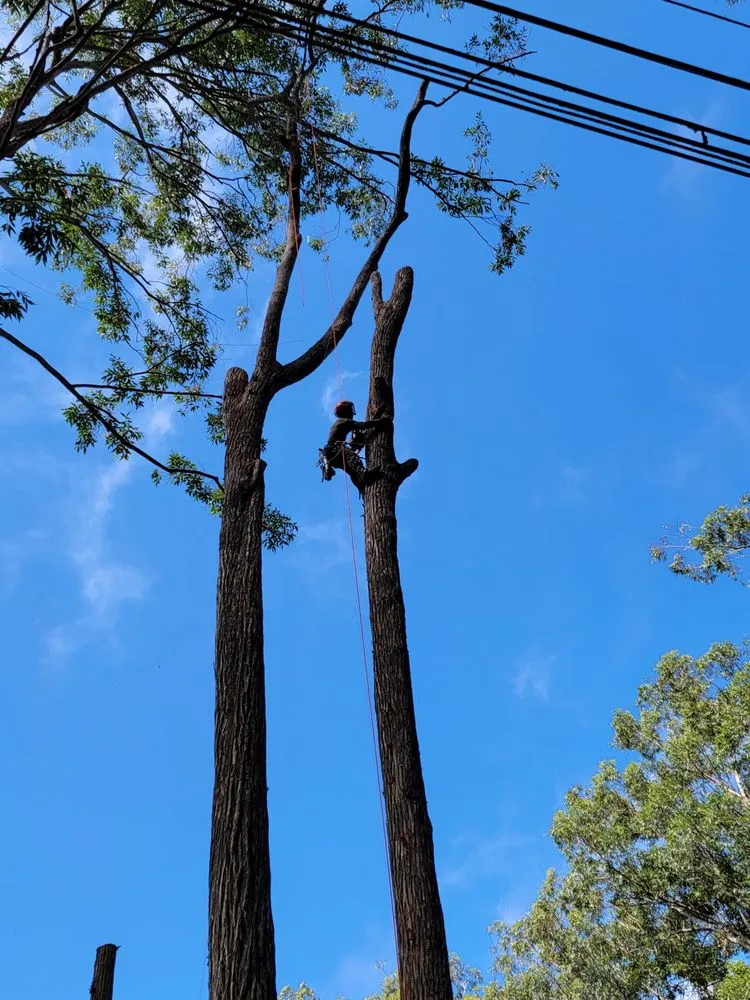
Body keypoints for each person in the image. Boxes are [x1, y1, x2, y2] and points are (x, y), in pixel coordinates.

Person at [318, 400, 390, 485]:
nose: (352, 413)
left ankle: (361, 484)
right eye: (350, 410)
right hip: (335, 449)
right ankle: (364, 473)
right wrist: (381, 421)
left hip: (331, 455)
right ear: (346, 411)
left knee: (351, 470)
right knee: (352, 457)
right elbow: (364, 425)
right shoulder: (344, 421)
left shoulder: (339, 422)